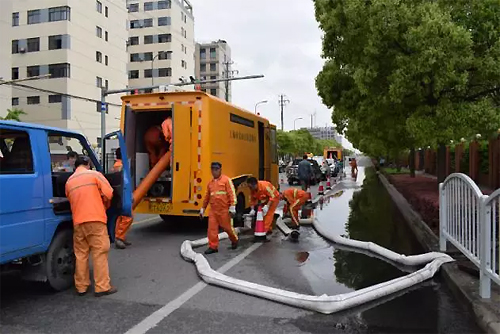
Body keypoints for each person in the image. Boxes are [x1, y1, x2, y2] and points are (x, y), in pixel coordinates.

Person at [65, 156, 117, 297]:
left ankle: (81, 287)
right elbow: (109, 193)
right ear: (87, 164)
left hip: (78, 222)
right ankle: (102, 287)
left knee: (81, 254)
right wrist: (104, 203)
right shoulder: (94, 175)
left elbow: (71, 200)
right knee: (99, 252)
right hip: (95, 219)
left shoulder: (69, 181)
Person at [200, 162, 239, 254]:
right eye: (213, 169)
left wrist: (232, 206)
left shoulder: (226, 180)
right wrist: (202, 208)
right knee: (211, 229)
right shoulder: (210, 183)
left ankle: (234, 240)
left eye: (216, 169)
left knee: (227, 228)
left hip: (224, 210)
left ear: (220, 170)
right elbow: (207, 197)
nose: (214, 171)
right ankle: (213, 246)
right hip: (213, 210)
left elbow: (231, 194)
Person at [112, 148, 134, 249]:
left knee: (121, 217)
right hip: (123, 194)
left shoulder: (118, 165)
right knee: (127, 216)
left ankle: (120, 236)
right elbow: (124, 182)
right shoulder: (120, 166)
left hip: (122, 194)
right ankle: (119, 237)